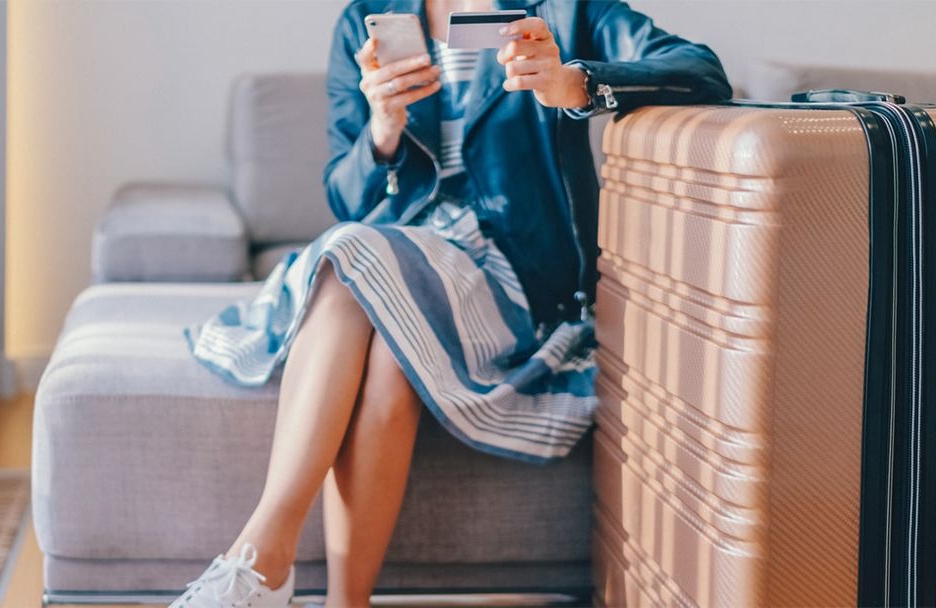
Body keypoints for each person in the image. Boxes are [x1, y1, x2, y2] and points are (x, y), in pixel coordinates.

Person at [170, 1, 730, 606]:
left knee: (353, 257)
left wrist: (575, 81)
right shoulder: (369, 16)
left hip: (509, 279)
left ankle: (260, 555)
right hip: (395, 259)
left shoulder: (563, 9)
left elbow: (702, 70)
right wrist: (382, 128)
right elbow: (345, 196)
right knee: (383, 327)